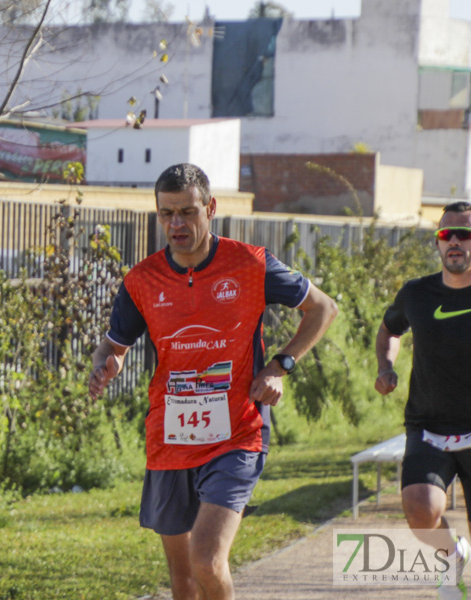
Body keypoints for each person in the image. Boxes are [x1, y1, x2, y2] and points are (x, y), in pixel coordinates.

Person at [87, 163, 338, 600]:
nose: (176, 224)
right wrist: (106, 364)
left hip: (236, 433)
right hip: (170, 437)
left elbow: (323, 308)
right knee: (184, 583)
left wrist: (280, 365)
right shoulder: (142, 280)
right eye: (166, 214)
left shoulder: (250, 264)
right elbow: (113, 345)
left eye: (187, 211)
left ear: (211, 208)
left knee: (207, 558)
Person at [375, 201, 471, 599]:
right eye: (445, 234)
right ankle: (453, 556)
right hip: (429, 425)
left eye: (464, 234)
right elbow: (388, 331)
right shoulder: (417, 293)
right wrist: (386, 367)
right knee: (420, 511)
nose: (454, 242)